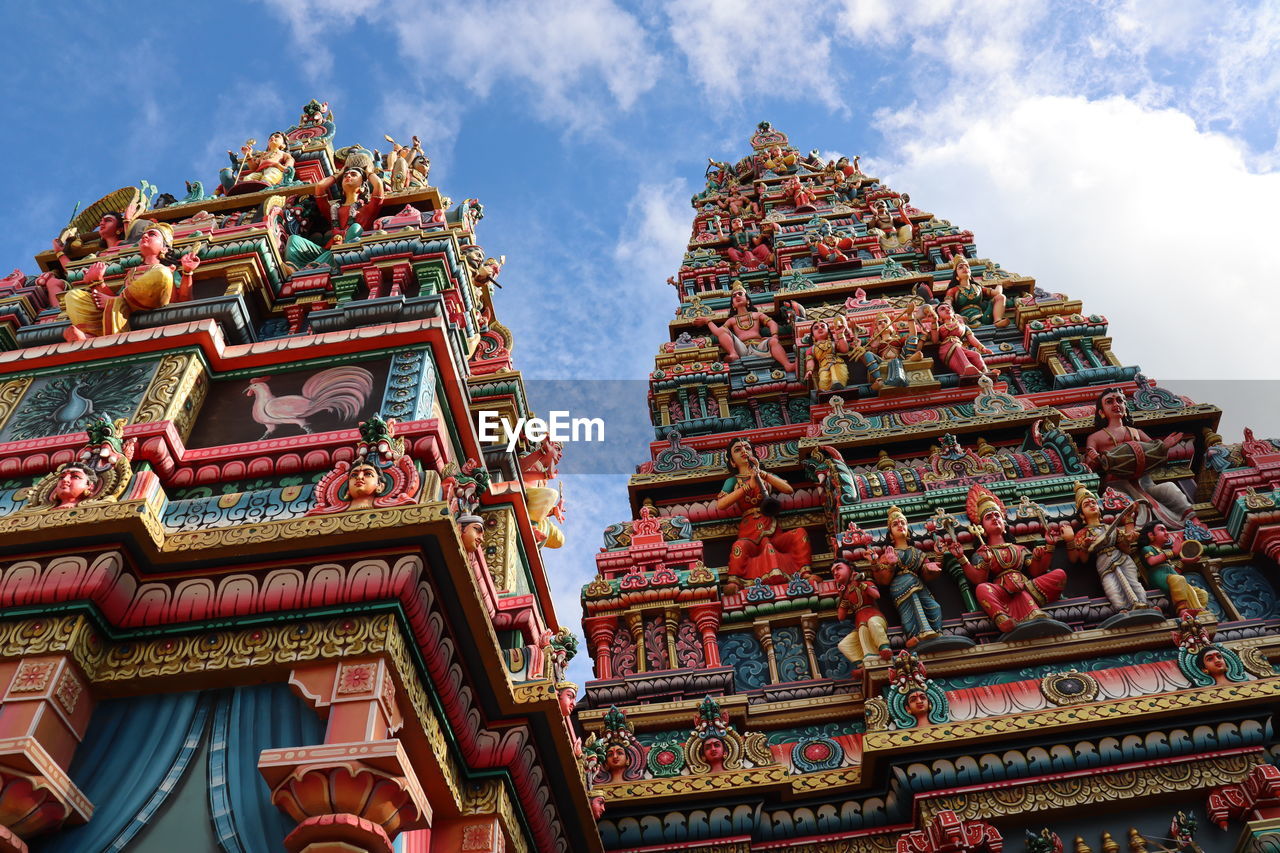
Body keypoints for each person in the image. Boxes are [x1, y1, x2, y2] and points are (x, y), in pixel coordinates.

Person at [949, 485, 1068, 633]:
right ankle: (1002, 618)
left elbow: (1037, 571)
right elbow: (978, 580)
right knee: (982, 589)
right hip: (1002, 592)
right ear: (982, 528)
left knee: (1059, 574)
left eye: (997, 515)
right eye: (988, 517)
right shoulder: (982, 552)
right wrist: (964, 558)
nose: (994, 519)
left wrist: (1048, 549)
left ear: (1004, 523)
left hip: (1026, 587)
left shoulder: (1019, 549)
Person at [63, 222, 200, 341]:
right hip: (126, 307)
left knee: (161, 273)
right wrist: (97, 281)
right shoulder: (131, 272)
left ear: (164, 248)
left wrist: (187, 272)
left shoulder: (168, 269)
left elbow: (184, 300)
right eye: (143, 236)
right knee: (73, 296)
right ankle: (91, 335)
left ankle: (100, 336)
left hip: (154, 303)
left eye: (152, 235)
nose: (145, 236)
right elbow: (109, 301)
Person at [1083, 388, 1195, 528]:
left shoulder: (1137, 432)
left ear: (1125, 407)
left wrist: (1164, 447)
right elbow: (1088, 466)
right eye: (1109, 402)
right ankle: (1131, 531)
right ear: (1101, 412)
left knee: (1170, 489)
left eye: (1120, 400)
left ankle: (1194, 521)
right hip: (1115, 484)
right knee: (1123, 503)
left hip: (1144, 481)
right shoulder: (1095, 437)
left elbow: (1155, 451)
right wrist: (1093, 459)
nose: (1116, 404)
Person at [718, 436, 812, 594]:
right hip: (749, 533)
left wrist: (762, 474)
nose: (744, 451)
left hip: (773, 529)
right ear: (732, 462)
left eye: (747, 448)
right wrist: (748, 487)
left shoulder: (765, 475)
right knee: (739, 547)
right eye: (738, 450)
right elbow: (721, 504)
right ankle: (735, 581)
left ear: (754, 455)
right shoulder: (732, 481)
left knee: (799, 534)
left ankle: (805, 573)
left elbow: (788, 490)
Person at [1067, 483, 1152, 613]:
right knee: (1112, 586)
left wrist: (1128, 538)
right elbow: (1083, 559)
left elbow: (1126, 549)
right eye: (1086, 504)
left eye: (1093, 502)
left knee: (1133, 582)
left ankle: (1143, 603)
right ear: (1082, 515)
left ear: (1099, 509)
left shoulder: (1110, 528)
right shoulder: (1083, 533)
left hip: (1122, 558)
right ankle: (1122, 610)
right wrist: (1085, 546)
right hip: (1103, 562)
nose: (1091, 505)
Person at [872, 506, 944, 647]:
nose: (900, 526)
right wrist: (891, 564)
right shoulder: (888, 554)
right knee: (910, 611)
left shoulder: (916, 552)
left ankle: (936, 631)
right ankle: (913, 635)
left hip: (918, 584)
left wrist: (939, 557)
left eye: (903, 523)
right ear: (891, 534)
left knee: (934, 607)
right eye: (895, 524)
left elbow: (928, 574)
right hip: (900, 586)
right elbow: (883, 580)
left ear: (908, 529)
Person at [695, 285, 795, 372]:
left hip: (759, 345)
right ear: (733, 305)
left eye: (740, 294)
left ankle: (787, 365)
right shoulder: (732, 320)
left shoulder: (757, 315)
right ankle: (733, 353)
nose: (737, 296)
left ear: (747, 300)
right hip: (742, 348)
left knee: (773, 342)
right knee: (723, 331)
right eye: (734, 296)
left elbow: (772, 323)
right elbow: (718, 332)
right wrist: (707, 321)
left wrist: (775, 336)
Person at [1138, 522, 1211, 616]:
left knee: (1200, 593)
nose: (1166, 532)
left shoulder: (1163, 554)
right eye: (1161, 529)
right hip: (1157, 576)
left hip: (1170, 579)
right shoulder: (1147, 549)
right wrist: (1173, 552)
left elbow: (1175, 574)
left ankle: (1198, 611)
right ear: (1151, 535)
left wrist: (1183, 562)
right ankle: (1182, 610)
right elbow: (1151, 561)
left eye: (1166, 530)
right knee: (1178, 579)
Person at [832, 561, 891, 664]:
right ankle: (861, 663)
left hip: (874, 615)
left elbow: (876, 595)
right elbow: (841, 617)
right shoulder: (846, 594)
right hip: (860, 621)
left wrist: (861, 584)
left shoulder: (866, 583)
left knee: (872, 623)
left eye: (838, 568)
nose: (835, 573)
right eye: (833, 572)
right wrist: (841, 596)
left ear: (850, 569)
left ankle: (884, 647)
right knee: (844, 644)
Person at [925, 302, 994, 377]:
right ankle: (966, 368)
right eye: (942, 309)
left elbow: (971, 338)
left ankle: (985, 372)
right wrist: (934, 322)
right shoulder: (939, 327)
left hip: (959, 346)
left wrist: (982, 348)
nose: (947, 309)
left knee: (976, 355)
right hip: (947, 348)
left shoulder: (962, 326)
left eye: (949, 308)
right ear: (938, 316)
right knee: (956, 346)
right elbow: (935, 340)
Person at [219, 131, 294, 193]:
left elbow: (288, 168)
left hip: (274, 169)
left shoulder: (283, 154)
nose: (272, 138)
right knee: (248, 178)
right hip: (259, 171)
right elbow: (253, 167)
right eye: (271, 137)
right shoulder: (263, 155)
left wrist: (277, 165)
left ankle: (265, 186)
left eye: (277, 136)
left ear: (283, 145)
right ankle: (247, 188)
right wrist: (248, 155)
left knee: (270, 175)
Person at [944, 256, 1007, 327]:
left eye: (967, 267)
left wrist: (1000, 283)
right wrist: (954, 315)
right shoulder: (953, 290)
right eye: (960, 267)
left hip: (983, 316)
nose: (965, 268)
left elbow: (997, 293)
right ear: (956, 275)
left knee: (1000, 297)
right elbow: (947, 305)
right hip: (964, 319)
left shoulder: (978, 287)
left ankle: (997, 321)